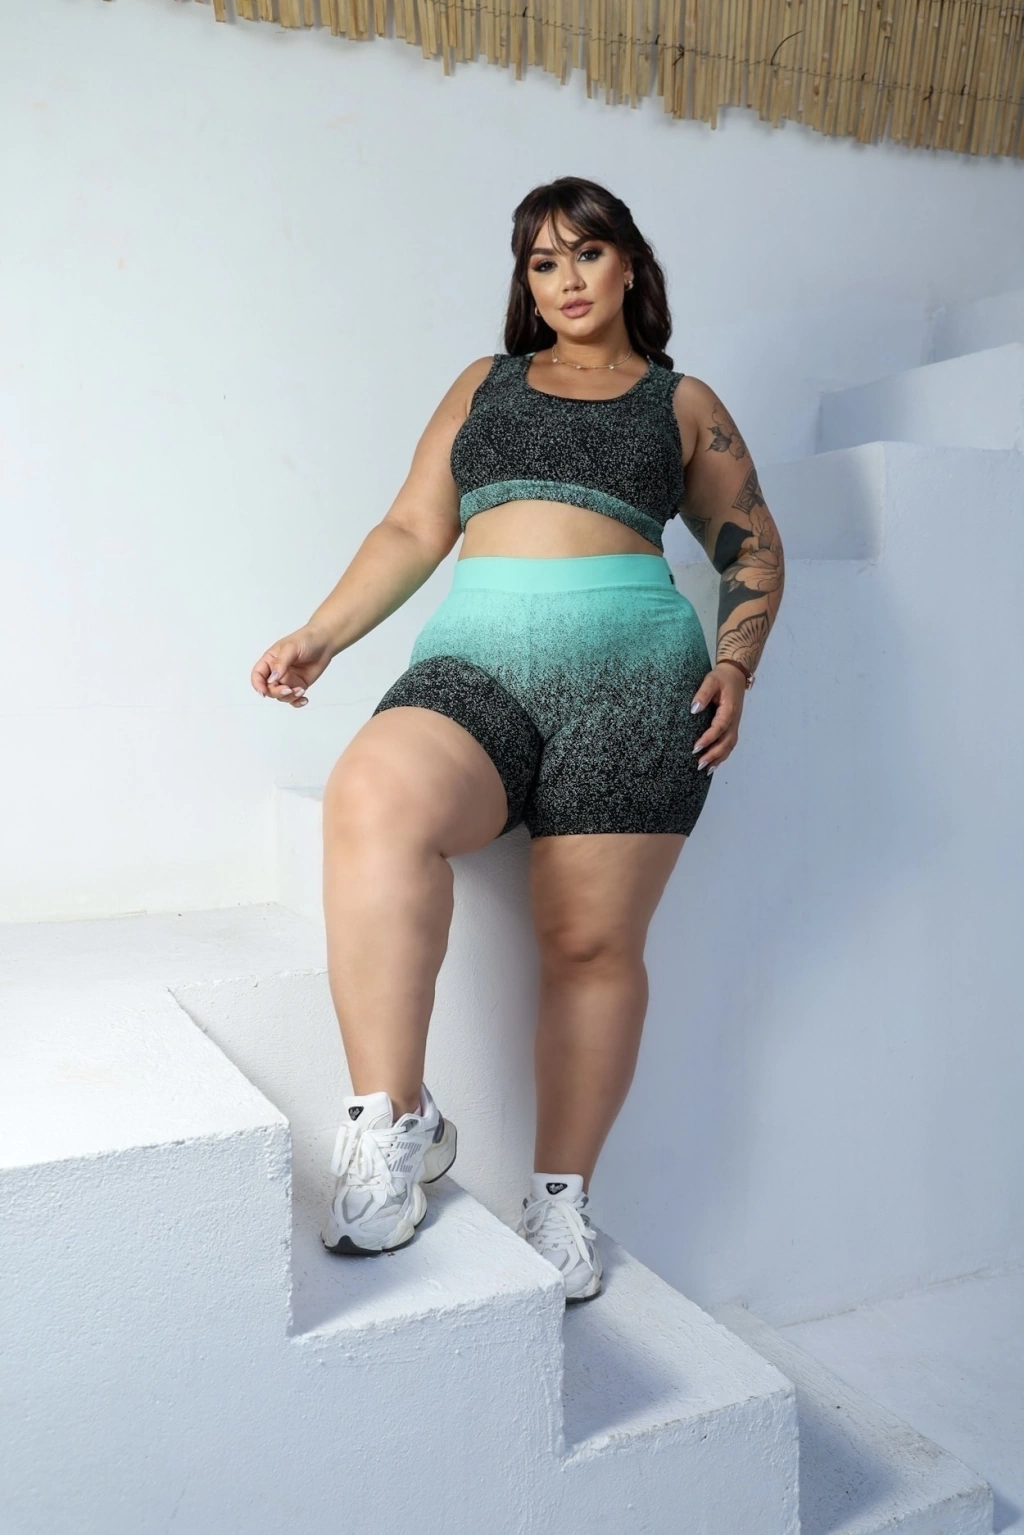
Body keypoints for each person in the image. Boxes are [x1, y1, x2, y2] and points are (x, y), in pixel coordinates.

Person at [250, 176, 785, 1303]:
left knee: (589, 945)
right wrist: (322, 634)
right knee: (373, 794)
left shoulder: (683, 402)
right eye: (543, 262)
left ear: (628, 264)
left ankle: (560, 1197)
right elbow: (413, 526)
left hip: (637, 689)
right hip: (480, 667)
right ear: (525, 283)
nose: (567, 279)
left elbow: (751, 546)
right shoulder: (483, 383)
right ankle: (395, 1125)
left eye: (586, 253)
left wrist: (735, 664)